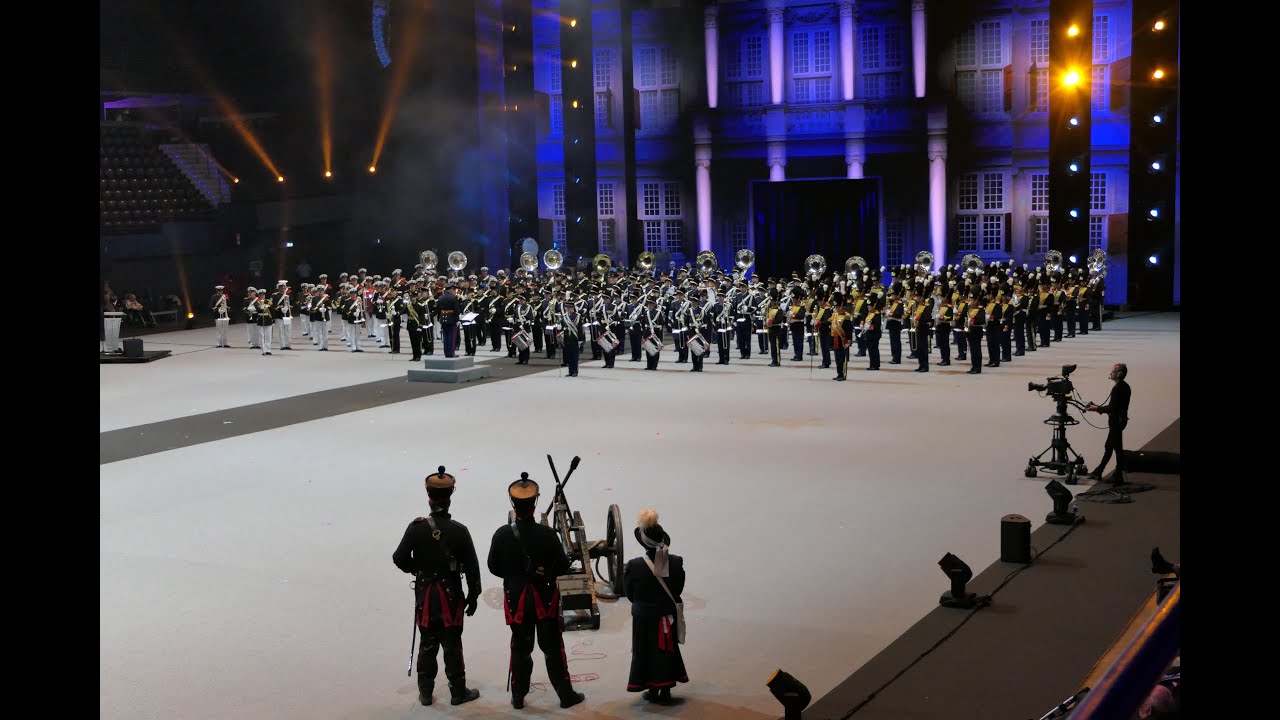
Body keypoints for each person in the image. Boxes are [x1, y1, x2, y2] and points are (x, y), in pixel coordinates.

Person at [487, 473, 585, 710]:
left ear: (513, 504)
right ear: (535, 503)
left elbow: (493, 566)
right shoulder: (548, 535)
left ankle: (518, 697)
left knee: (520, 648)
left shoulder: (502, 534)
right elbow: (563, 566)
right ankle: (565, 694)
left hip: (516, 597)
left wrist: (512, 577)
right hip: (544, 598)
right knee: (552, 647)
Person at [392, 466, 482, 707]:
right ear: (449, 499)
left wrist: (417, 569)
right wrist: (473, 596)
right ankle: (458, 692)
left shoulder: (416, 528)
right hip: (450, 596)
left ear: (429, 497)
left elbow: (399, 557)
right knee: (452, 644)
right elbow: (472, 570)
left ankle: (425, 693)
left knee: (427, 643)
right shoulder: (460, 531)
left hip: (425, 595)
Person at [624, 508, 689, 704]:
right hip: (666, 615)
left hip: (644, 617)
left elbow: (630, 595)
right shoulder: (676, 563)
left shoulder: (634, 566)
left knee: (645, 652)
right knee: (666, 651)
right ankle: (666, 689)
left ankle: (652, 690)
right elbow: (677, 589)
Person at [1086, 363, 1131, 483]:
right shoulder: (1125, 386)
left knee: (1116, 449)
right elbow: (1114, 406)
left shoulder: (1117, 389)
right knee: (1110, 447)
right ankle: (1100, 471)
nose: (1110, 373)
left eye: (1113, 371)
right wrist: (1098, 407)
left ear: (1119, 374)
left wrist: (1096, 409)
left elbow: (1112, 409)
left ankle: (1117, 474)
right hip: (1120, 421)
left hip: (1116, 422)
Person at [437, 281, 460, 358]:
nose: (454, 291)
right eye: (454, 290)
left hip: (443, 318)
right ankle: (451, 353)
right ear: (451, 290)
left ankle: (446, 352)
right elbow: (456, 310)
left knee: (445, 336)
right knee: (452, 337)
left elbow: (438, 309)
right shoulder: (453, 298)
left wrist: (439, 318)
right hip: (451, 319)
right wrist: (457, 320)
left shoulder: (440, 298)